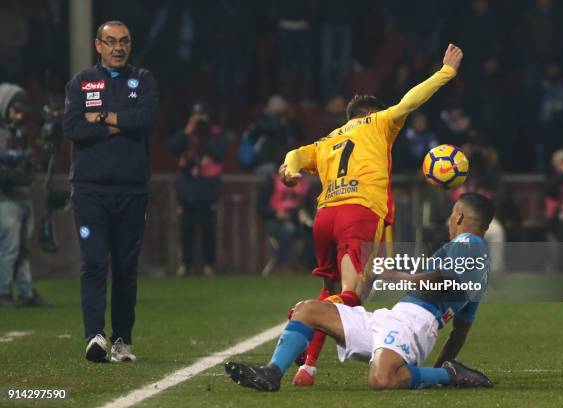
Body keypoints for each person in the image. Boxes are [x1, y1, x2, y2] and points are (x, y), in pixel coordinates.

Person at [279, 44, 463, 386]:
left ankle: (308, 367)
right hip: (358, 210)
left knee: (330, 288)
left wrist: (289, 170)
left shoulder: (328, 139)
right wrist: (446, 73)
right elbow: (409, 102)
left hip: (325, 216)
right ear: (370, 112)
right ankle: (301, 316)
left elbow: (293, 154)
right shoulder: (378, 122)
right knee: (352, 293)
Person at [225, 192, 494, 392]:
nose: (450, 219)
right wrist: (438, 369)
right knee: (307, 310)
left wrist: (391, 275)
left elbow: (443, 279)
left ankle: (449, 374)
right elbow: (460, 331)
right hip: (394, 319)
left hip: (414, 325)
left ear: (458, 216)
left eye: (452, 214)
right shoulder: (480, 272)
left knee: (382, 380)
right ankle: (272, 373)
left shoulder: (467, 242)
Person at [62, 21, 158, 363]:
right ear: (97, 45)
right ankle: (95, 337)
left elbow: (145, 119)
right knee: (93, 263)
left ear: (130, 46)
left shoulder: (143, 79)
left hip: (131, 192)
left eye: (124, 42)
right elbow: (72, 128)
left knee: (126, 268)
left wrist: (99, 117)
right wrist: (119, 123)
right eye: (111, 41)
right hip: (89, 191)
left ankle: (122, 340)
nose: (118, 47)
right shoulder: (80, 82)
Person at [167, 103, 227, 277]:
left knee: (209, 228)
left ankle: (209, 264)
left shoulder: (215, 134)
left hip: (208, 187)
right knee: (187, 227)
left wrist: (206, 138)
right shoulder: (186, 133)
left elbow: (220, 153)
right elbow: (172, 147)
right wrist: (188, 130)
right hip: (188, 187)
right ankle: (186, 263)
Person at [0, 83, 46, 307]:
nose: (18, 115)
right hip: (4, 198)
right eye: (14, 110)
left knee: (23, 248)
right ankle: (3, 292)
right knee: (9, 247)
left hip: (21, 195)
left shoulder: (18, 133)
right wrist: (15, 157)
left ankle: (26, 291)